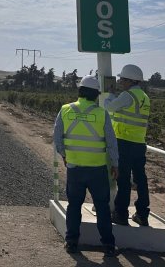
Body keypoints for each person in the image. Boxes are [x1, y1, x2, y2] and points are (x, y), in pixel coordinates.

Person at [54, 75, 119, 257]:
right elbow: (111, 142)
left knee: (74, 206)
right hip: (97, 170)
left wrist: (65, 155)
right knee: (103, 208)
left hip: (74, 169)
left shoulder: (65, 109)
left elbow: (57, 138)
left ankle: (72, 242)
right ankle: (108, 245)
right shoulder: (101, 113)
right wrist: (115, 164)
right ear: (96, 94)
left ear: (80, 91)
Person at [104, 63, 151, 227]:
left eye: (122, 79)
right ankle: (142, 214)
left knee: (123, 179)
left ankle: (121, 214)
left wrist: (109, 95)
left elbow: (108, 108)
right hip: (139, 143)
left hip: (124, 142)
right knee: (141, 179)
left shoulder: (127, 95)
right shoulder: (144, 97)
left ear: (130, 80)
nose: (120, 82)